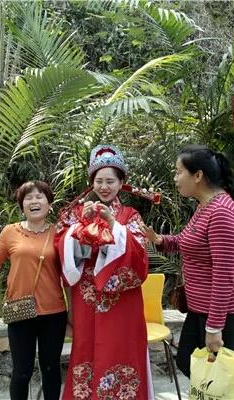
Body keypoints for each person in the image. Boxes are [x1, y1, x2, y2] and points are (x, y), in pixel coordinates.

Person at [140, 144, 234, 377]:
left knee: (213, 377)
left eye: (179, 171)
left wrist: (214, 327)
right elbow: (187, 241)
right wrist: (159, 240)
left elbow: (224, 274)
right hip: (201, 308)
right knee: (188, 363)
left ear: (198, 175)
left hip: (221, 312)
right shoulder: (205, 206)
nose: (175, 177)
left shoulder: (221, 213)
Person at [56, 144, 153, 399]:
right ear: (91, 183)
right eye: (99, 181)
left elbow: (140, 260)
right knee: (86, 352)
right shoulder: (74, 213)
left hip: (122, 303)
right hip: (86, 300)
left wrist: (114, 227)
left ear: (122, 183)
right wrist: (79, 228)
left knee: (121, 353)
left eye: (110, 181)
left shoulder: (131, 216)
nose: (104, 187)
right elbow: (60, 248)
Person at [0, 181, 67, 400]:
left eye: (39, 196)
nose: (34, 201)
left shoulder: (60, 233)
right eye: (28, 197)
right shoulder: (11, 232)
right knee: (21, 371)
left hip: (54, 313)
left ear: (49, 203)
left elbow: (72, 272)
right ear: (22, 204)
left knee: (51, 369)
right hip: (20, 310)